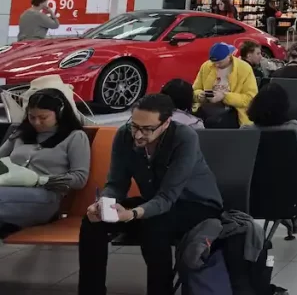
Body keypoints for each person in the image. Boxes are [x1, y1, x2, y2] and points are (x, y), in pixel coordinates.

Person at [78, 94, 223, 295]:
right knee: (93, 221)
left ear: (166, 124)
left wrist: (132, 214)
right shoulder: (124, 136)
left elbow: (167, 197)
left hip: (197, 204)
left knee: (155, 224)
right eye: (134, 126)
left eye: (147, 129)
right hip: (154, 204)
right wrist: (104, 203)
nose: (138, 135)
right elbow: (116, 184)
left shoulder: (184, 138)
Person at [0, 89, 89, 232]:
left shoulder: (75, 137)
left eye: (43, 117)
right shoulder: (21, 133)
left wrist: (41, 180)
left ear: (59, 113)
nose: (36, 122)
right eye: (31, 117)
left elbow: (79, 178)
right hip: (9, 189)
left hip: (45, 196)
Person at [246, 83, 297, 174]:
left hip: (254, 180)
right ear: (285, 107)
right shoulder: (293, 130)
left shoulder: (245, 131)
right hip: (289, 179)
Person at [192, 42, 258, 126]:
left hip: (234, 110)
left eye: (220, 62)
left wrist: (224, 96)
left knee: (215, 122)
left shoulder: (244, 69)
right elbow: (195, 90)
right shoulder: (206, 66)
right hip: (207, 108)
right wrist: (199, 95)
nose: (216, 65)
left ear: (229, 56)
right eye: (214, 62)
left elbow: (250, 98)